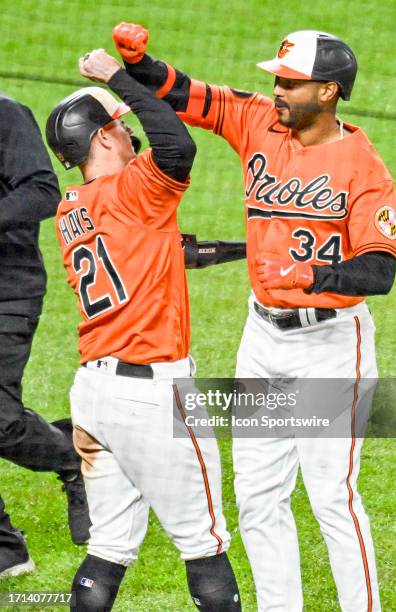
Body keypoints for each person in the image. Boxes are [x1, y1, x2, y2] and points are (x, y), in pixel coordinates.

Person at [112, 24, 396, 612]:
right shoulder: (258, 122)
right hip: (261, 342)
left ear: (328, 92)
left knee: (331, 498)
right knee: (259, 495)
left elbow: (378, 272)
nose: (277, 90)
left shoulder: (363, 167)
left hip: (329, 348)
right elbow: (184, 93)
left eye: (290, 83)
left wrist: (312, 278)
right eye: (276, 78)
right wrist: (140, 63)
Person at [46, 48, 241, 612]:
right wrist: (117, 78)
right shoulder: (135, 189)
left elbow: (167, 250)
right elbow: (178, 145)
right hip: (153, 396)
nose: (131, 135)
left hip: (94, 397)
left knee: (109, 548)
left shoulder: (73, 209)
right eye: (121, 128)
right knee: (204, 544)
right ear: (103, 140)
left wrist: (248, 252)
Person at [0, 91, 90, 578]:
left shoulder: (6, 113)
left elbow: (41, 190)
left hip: (6, 292)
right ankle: (6, 552)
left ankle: (75, 456)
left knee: (0, 420)